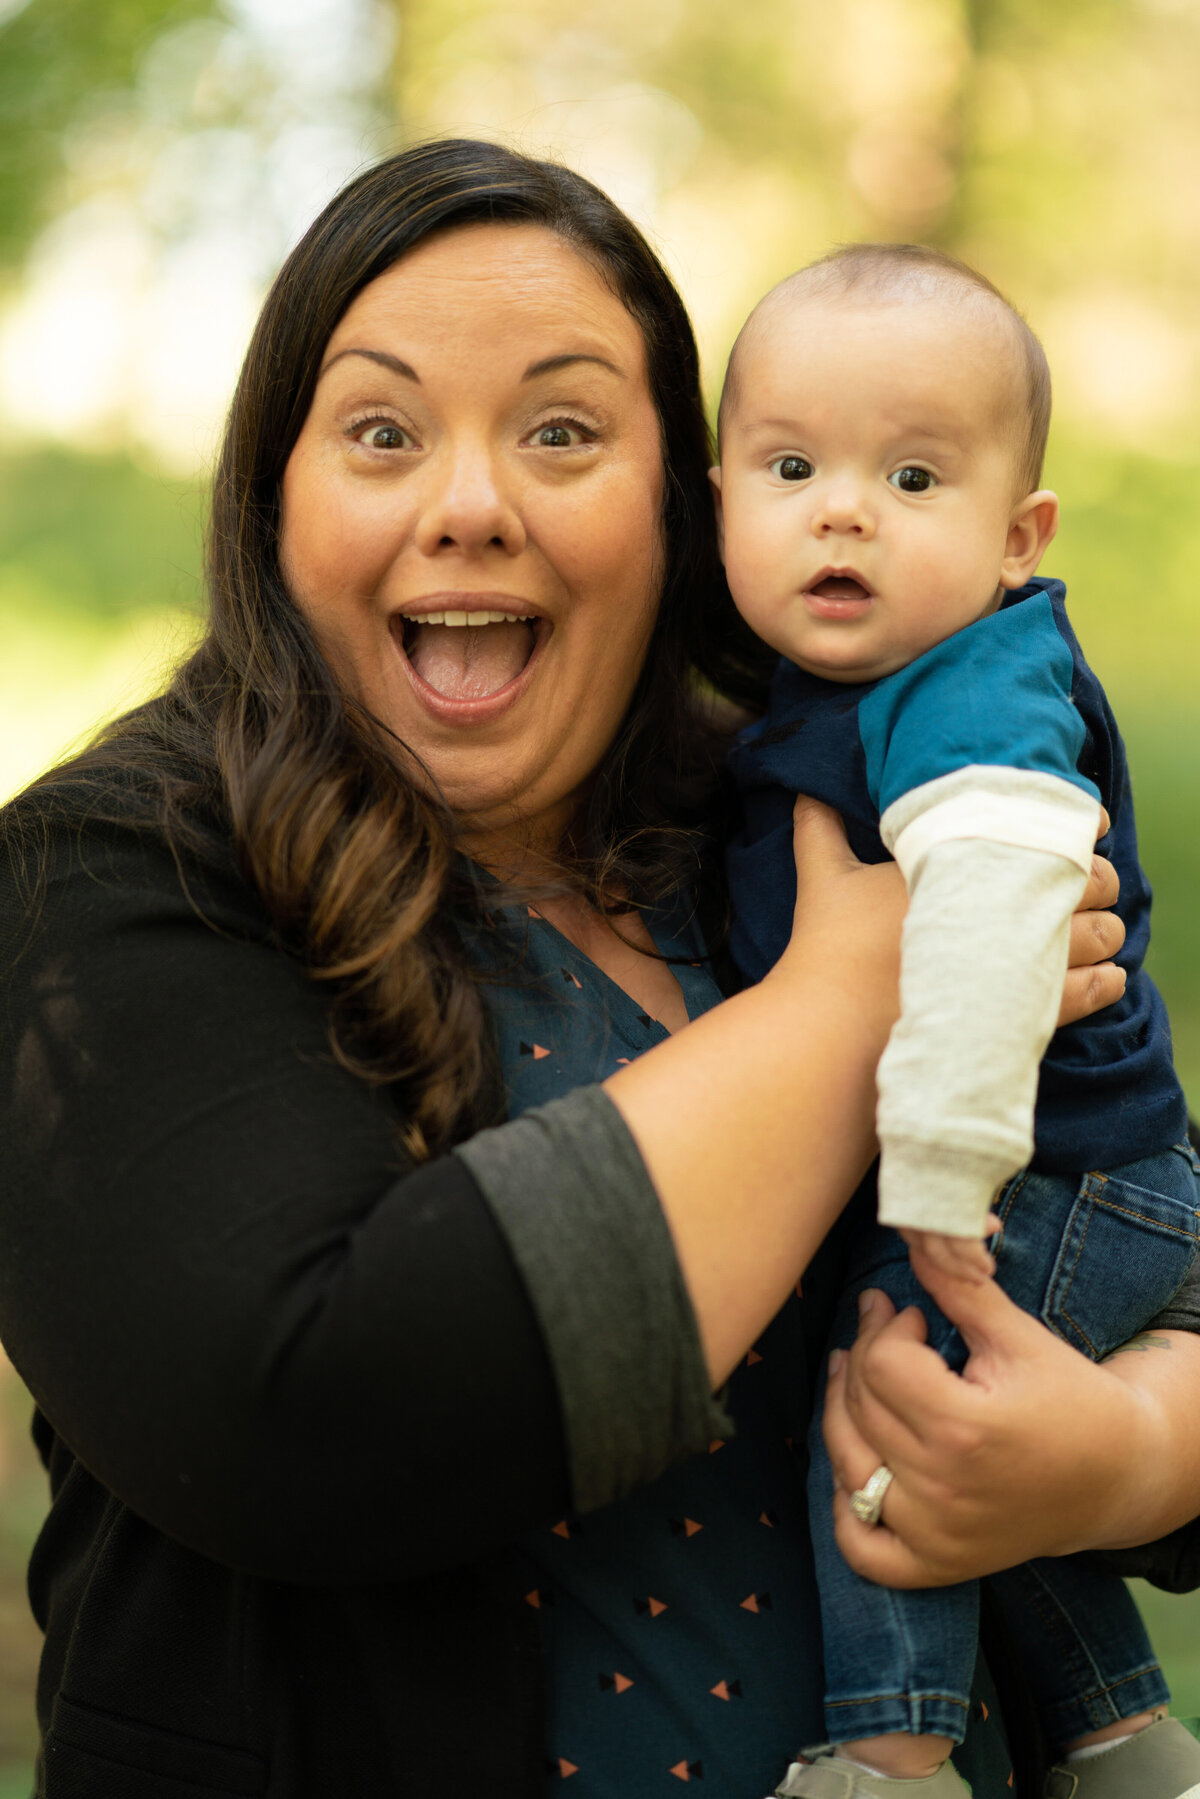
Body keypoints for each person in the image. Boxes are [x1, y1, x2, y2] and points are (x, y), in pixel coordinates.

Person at [0, 141, 1196, 1799]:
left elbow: (1126, 1199)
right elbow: (299, 1416)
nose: (470, 502)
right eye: (381, 432)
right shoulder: (113, 880)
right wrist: (854, 1003)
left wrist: (1135, 1458)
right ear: (278, 495)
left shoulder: (804, 810)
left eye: (562, 431)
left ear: (680, 509)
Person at [713, 243, 1200, 1798]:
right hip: (1048, 1166)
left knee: (894, 1421)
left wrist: (934, 1173)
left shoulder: (978, 695)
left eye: (913, 476)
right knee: (1005, 1474)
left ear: (1016, 537)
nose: (843, 508)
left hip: (1039, 1171)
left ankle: (892, 1759)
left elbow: (996, 932)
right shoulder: (843, 674)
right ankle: (1127, 1747)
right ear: (720, 494)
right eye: (792, 467)